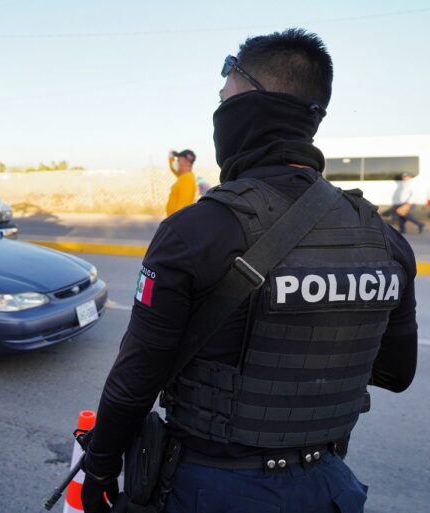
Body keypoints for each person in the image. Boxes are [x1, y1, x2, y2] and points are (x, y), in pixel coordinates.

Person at [80, 28, 417, 513]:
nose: (218, 113)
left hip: (210, 489)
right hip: (328, 487)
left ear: (249, 108)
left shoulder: (195, 230)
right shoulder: (384, 238)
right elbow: (397, 372)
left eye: (223, 99)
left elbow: (136, 378)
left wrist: (98, 467)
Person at [165, 149, 197, 216]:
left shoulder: (187, 180)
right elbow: (173, 169)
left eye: (178, 160)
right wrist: (171, 157)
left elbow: (182, 208)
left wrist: (173, 224)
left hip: (175, 223)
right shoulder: (184, 176)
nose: (176, 162)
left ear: (185, 162)